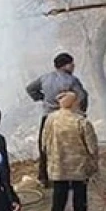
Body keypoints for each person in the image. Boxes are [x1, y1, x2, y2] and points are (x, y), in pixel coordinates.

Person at [25, 52, 89, 186]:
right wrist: (81, 112)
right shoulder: (71, 80)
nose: (73, 66)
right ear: (66, 65)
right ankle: (66, 177)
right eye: (72, 63)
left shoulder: (44, 78)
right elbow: (82, 96)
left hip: (47, 117)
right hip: (65, 118)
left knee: (44, 146)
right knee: (66, 147)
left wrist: (41, 98)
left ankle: (43, 177)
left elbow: (30, 89)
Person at [41, 92, 100, 211]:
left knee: (59, 191)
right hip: (78, 166)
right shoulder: (82, 122)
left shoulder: (50, 120)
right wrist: (94, 163)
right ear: (74, 104)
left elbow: (44, 143)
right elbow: (92, 148)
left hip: (58, 165)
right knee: (79, 192)